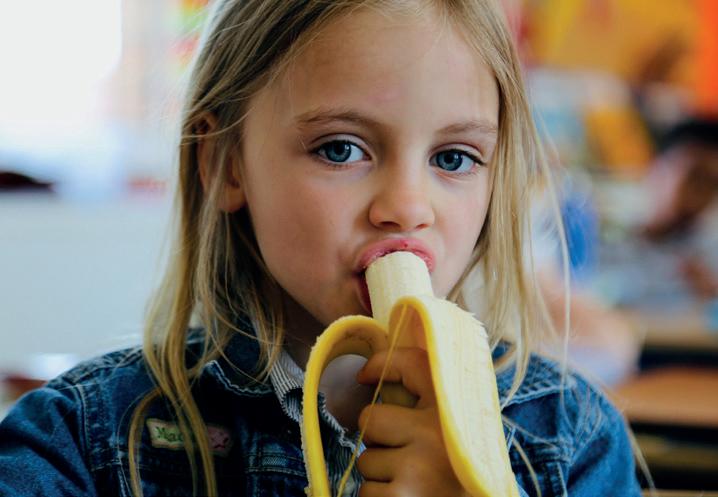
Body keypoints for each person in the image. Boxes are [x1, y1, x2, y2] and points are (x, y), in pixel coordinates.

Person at [0, 1, 642, 496]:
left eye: (454, 158)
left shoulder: (572, 443)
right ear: (224, 164)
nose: (407, 206)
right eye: (341, 149)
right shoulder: (78, 444)